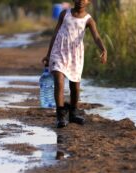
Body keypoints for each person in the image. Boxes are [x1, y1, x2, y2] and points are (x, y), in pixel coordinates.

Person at [42, 0, 107, 128]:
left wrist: (104, 50)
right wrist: (48, 54)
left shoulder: (88, 20)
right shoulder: (64, 14)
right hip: (59, 51)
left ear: (88, 1)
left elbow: (97, 37)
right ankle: (60, 116)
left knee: (75, 87)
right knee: (59, 82)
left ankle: (73, 113)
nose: (80, 1)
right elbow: (55, 33)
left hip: (75, 55)